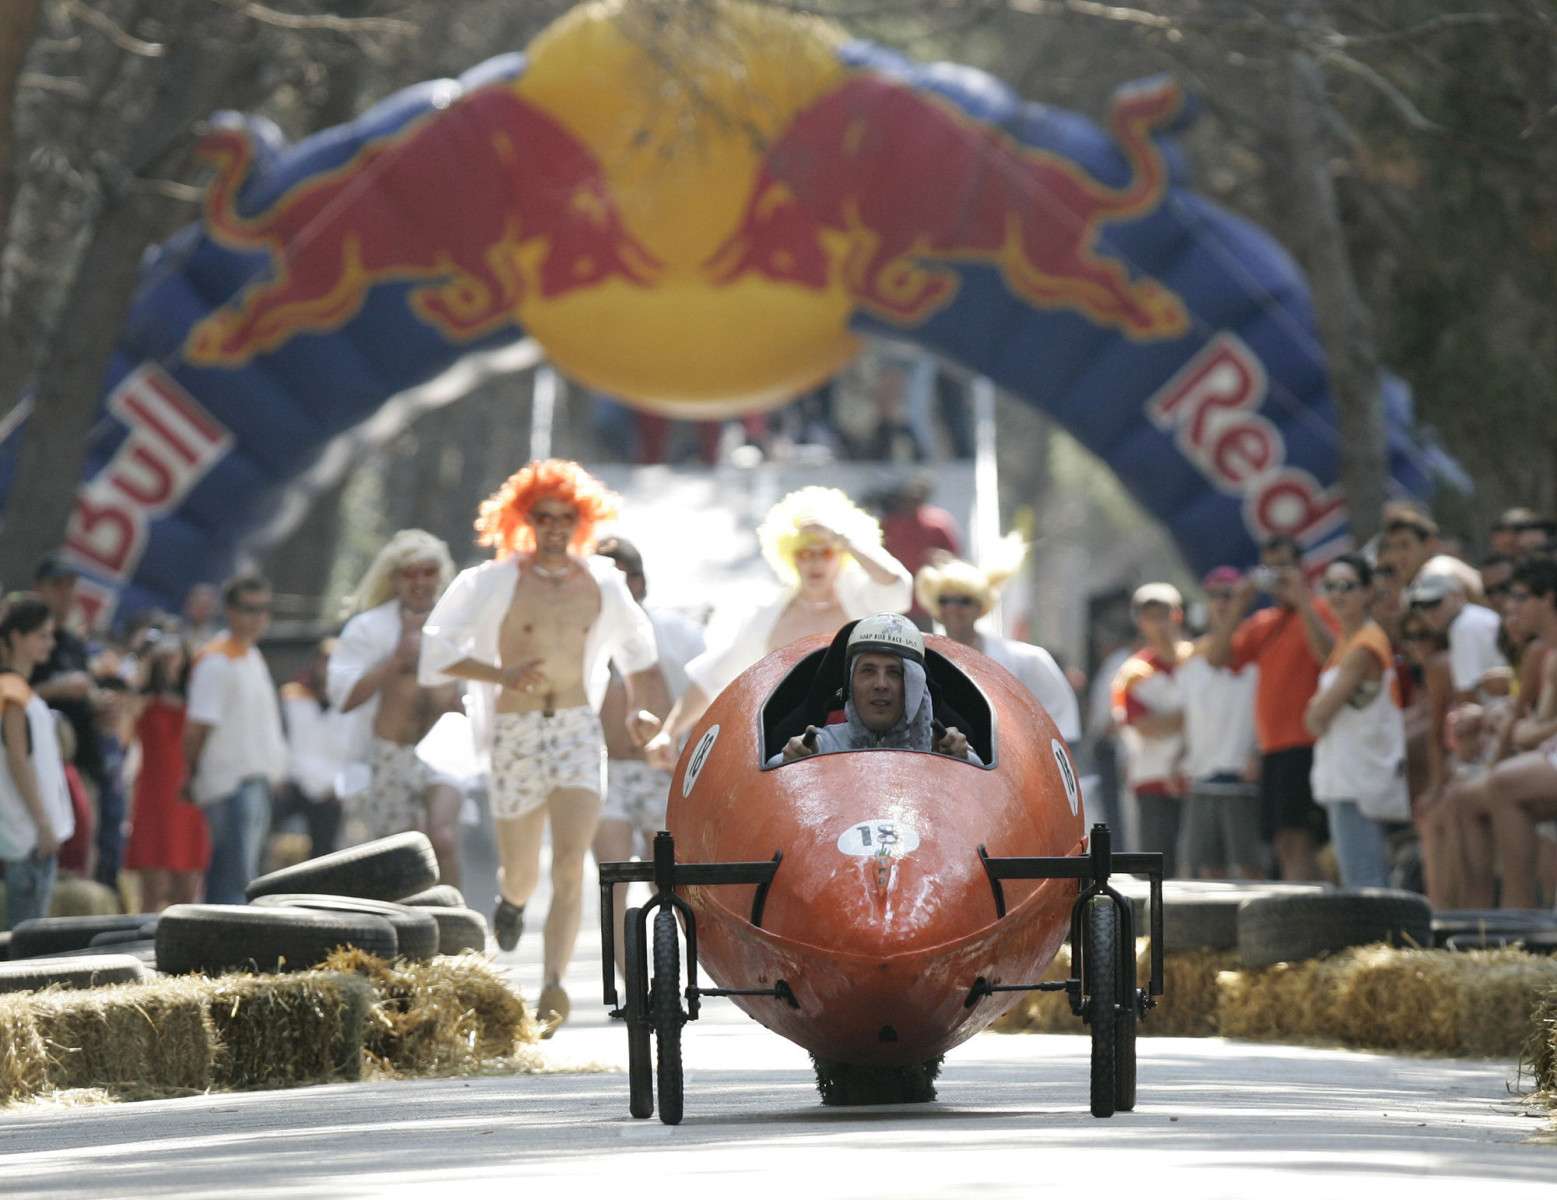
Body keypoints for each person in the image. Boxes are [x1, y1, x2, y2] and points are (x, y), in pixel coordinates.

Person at [419, 460, 667, 1032]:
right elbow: (436, 652)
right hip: (516, 731)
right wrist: (498, 673)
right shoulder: (491, 582)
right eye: (543, 517)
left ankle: (553, 985)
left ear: (583, 520)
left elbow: (639, 654)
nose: (555, 527)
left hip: (578, 729)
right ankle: (510, 901)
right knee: (523, 869)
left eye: (566, 516)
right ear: (523, 520)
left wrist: (641, 712)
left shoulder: (602, 582)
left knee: (572, 863)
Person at [645, 486, 911, 767]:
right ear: (788, 555)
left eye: (826, 552)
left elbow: (898, 587)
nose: (815, 562)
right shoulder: (769, 615)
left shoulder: (863, 602)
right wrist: (669, 732)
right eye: (804, 553)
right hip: (790, 749)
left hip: (865, 745)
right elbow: (714, 676)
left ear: (842, 555)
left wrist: (843, 538)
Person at [590, 535, 706, 981]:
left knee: (667, 876)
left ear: (639, 581)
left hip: (662, 768)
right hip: (605, 770)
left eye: (623, 577)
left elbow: (706, 697)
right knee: (613, 874)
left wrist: (688, 760)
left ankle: (679, 968)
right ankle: (631, 986)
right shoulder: (580, 639)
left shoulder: (677, 634)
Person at [328, 530, 464, 882]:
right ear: (395, 579)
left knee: (442, 837)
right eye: (410, 573)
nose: (420, 582)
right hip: (386, 754)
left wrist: (459, 701)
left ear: (442, 573)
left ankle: (458, 926)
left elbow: (483, 699)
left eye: (428, 571)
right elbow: (341, 696)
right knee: (398, 851)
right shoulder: (368, 629)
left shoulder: (462, 625)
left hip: (444, 755)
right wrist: (394, 662)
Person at [1205, 536, 1338, 881]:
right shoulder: (1264, 622)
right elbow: (1217, 658)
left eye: (1283, 566)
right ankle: (1300, 915)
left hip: (1308, 742)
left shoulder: (1323, 610)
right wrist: (1239, 603)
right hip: (1274, 747)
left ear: (1301, 568)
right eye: (1270, 567)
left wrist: (1302, 599)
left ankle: (1310, 915)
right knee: (1284, 841)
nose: (1276, 575)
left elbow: (1329, 654)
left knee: (1303, 840)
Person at [912, 534, 1079, 743]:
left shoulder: (1029, 659)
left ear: (980, 607)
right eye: (945, 600)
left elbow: (1063, 728)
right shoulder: (923, 660)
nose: (953, 608)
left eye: (964, 600)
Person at [1303, 555, 1407, 887]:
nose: (1337, 594)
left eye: (1346, 586)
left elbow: (1317, 718)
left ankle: (1383, 940)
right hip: (1349, 776)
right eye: (1330, 586)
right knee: (1358, 878)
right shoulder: (1347, 642)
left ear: (1366, 592)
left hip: (1360, 780)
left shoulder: (1365, 645)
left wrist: (1315, 710)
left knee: (1366, 883)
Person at [183, 574, 287, 905]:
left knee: (242, 875)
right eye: (249, 609)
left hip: (255, 780)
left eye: (264, 609)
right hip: (229, 783)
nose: (258, 617)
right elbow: (197, 728)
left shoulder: (251, 655)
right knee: (232, 876)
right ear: (229, 611)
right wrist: (192, 775)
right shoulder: (215, 660)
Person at [773, 614, 977, 763]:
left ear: (913, 687)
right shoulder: (819, 746)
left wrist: (963, 759)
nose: (881, 684)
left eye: (894, 673)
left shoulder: (944, 748)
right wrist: (790, 761)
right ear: (850, 685)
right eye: (868, 671)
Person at [1176, 568, 1262, 880]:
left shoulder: (1252, 646)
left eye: (1230, 595)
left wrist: (1259, 752)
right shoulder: (1192, 655)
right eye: (1216, 595)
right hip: (1202, 774)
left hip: (1240, 773)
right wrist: (1179, 757)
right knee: (1200, 868)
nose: (1223, 602)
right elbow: (1190, 712)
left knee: (1249, 866)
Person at [1482, 557, 1557, 907]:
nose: (1512, 607)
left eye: (1522, 597)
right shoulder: (1548, 654)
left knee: (1502, 783)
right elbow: (1533, 731)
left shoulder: (1546, 653)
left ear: (1548, 599)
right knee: (1503, 786)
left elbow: (1531, 732)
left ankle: (1518, 912)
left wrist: (1517, 728)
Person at [0, 596, 74, 928]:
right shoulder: (11, 691)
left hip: (31, 834)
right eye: (41, 635)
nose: (50, 642)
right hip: (29, 836)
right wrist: (43, 823)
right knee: (26, 937)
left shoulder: (20, 690)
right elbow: (18, 760)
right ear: (16, 637)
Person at [125, 627, 210, 911]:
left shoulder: (198, 699)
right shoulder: (143, 700)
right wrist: (144, 670)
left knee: (186, 890)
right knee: (151, 890)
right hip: (153, 797)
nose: (171, 659)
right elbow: (124, 734)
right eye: (164, 654)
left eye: (176, 652)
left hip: (188, 797)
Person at [1111, 583, 1191, 877]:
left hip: (1198, 777)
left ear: (1178, 615)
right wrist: (1192, 717)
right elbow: (1143, 726)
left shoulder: (1199, 660)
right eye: (1149, 615)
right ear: (1140, 621)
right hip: (1153, 778)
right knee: (1157, 872)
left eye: (1164, 613)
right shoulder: (1133, 672)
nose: (1158, 623)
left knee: (1199, 870)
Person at [28, 554, 105, 819]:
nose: (66, 593)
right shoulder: (19, 636)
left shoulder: (73, 643)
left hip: (77, 759)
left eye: (70, 586)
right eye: (57, 585)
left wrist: (100, 702)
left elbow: (87, 693)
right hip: (33, 760)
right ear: (39, 588)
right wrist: (55, 688)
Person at [275, 639, 347, 861]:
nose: (329, 666)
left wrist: (342, 786)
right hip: (291, 784)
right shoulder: (290, 696)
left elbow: (357, 751)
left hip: (331, 791)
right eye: (325, 659)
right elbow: (278, 739)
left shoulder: (351, 702)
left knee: (325, 855)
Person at [1405, 573, 1508, 704]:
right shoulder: (1474, 616)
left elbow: (1467, 695)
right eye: (1422, 606)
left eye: (1435, 603)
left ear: (1457, 595)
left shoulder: (1463, 626)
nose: (1429, 613)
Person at [881, 475, 963, 629]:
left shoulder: (937, 524)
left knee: (925, 642)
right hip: (893, 598)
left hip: (924, 602)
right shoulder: (889, 524)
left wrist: (940, 559)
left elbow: (955, 559)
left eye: (917, 498)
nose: (911, 502)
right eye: (908, 498)